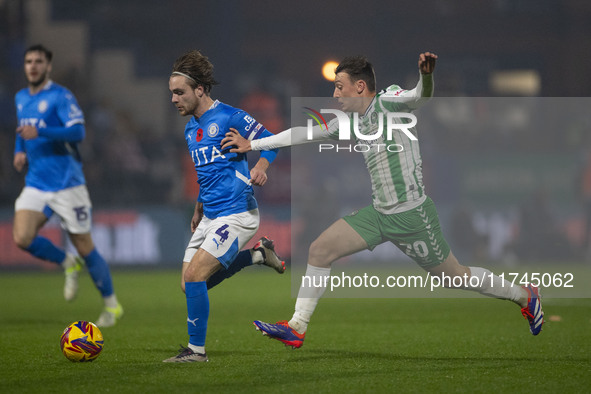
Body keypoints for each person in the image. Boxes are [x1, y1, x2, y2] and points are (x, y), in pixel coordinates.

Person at [221, 52, 544, 349]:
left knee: (454, 276)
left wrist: (426, 76)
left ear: (360, 87)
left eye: (339, 87)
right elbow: (302, 133)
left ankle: (524, 295)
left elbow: (421, 95)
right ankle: (297, 326)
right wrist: (253, 144)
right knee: (320, 249)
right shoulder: (349, 122)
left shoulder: (390, 102)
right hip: (379, 215)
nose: (334, 94)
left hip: (413, 216)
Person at [163, 50, 286, 363]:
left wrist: (261, 166)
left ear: (200, 90)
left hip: (238, 213)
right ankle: (258, 255)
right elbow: (208, 175)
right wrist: (198, 207)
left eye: (179, 92)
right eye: (172, 93)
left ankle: (196, 352)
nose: (174, 99)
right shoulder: (192, 129)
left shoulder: (230, 116)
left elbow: (272, 138)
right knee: (188, 284)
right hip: (210, 214)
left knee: (194, 278)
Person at [12, 44, 123, 327]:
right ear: (24, 66)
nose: (33, 66)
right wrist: (19, 149)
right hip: (36, 181)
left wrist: (41, 131)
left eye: (39, 61)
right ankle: (66, 262)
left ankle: (111, 306)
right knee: (22, 237)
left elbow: (77, 132)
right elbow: (22, 130)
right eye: (28, 61)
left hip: (67, 183)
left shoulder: (61, 96)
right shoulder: (21, 96)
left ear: (48, 66)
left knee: (85, 245)